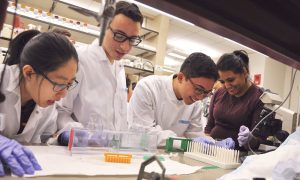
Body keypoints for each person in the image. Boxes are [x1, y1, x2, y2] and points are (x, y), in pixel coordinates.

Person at [56, 1, 143, 142]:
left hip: (111, 154)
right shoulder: (79, 60)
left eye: (132, 39)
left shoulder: (119, 67)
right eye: (119, 35)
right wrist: (79, 134)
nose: (125, 47)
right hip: (81, 152)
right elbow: (60, 112)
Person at [0, 31, 79, 176]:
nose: (64, 94)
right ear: (29, 73)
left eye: (69, 84)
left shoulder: (46, 102)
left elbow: (40, 142)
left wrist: (60, 139)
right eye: (60, 84)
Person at [127, 52, 220, 146]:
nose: (200, 97)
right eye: (198, 89)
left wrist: (212, 144)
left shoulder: (195, 102)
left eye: (206, 93)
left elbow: (195, 136)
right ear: (180, 77)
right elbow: (143, 133)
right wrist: (182, 143)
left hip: (171, 157)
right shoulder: (148, 87)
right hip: (139, 153)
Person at [204, 50, 264, 150]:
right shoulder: (219, 92)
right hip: (212, 150)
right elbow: (209, 127)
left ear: (245, 72)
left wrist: (250, 140)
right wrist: (206, 141)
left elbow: (258, 141)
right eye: (222, 81)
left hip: (238, 156)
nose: (227, 86)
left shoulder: (259, 98)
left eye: (231, 80)